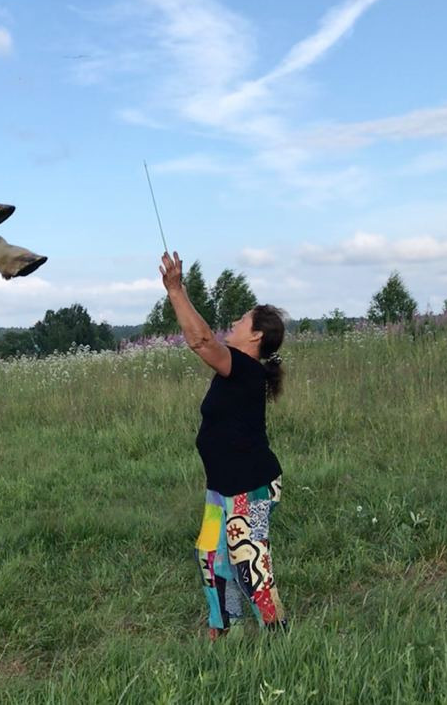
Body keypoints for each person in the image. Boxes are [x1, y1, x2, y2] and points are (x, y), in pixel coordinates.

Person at [158, 250, 288, 639]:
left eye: (242, 320)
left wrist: (176, 290)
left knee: (248, 560)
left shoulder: (245, 369)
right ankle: (223, 629)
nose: (234, 323)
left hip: (251, 486)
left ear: (256, 335)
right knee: (211, 557)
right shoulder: (234, 367)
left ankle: (277, 634)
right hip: (221, 488)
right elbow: (204, 344)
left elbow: (199, 340)